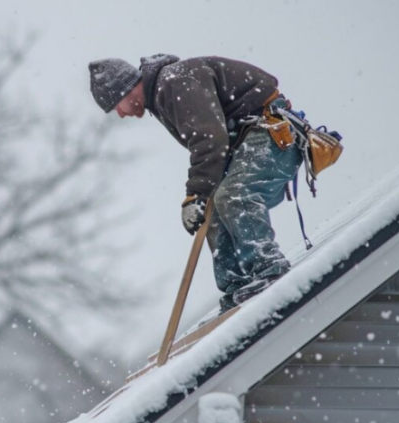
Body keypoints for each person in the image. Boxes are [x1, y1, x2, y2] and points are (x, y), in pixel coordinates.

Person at [88, 54, 302, 313]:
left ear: (124, 90)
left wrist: (195, 195)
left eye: (116, 106)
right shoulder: (162, 93)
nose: (120, 114)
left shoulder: (173, 82)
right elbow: (214, 143)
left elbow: (210, 141)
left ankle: (268, 267)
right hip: (246, 140)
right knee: (212, 209)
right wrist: (201, 198)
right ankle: (239, 284)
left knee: (232, 195)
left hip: (269, 131)